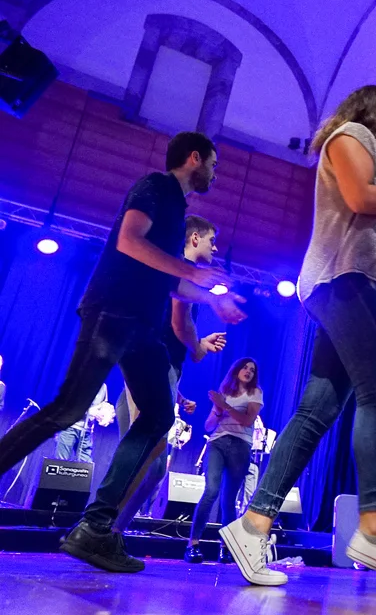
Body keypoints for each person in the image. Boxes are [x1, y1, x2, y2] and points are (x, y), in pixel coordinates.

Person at [221, 86, 376, 587]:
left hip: (358, 283)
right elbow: (359, 199)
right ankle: (375, 529)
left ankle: (252, 526)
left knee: (316, 412)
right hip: (344, 280)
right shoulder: (350, 135)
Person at [0, 131, 245, 573]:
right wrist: (192, 273)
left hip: (141, 328)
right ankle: (94, 527)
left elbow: (168, 279)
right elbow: (130, 241)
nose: (215, 173)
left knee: (159, 416)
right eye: (214, 164)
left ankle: (95, 527)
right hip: (113, 312)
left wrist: (212, 301)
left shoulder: (176, 210)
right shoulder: (155, 187)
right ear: (194, 158)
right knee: (67, 409)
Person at [113, 214, 226, 533]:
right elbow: (179, 323)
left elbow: (171, 330)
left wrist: (177, 392)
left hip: (154, 373)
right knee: (149, 467)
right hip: (150, 371)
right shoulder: (181, 270)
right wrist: (198, 348)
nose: (215, 248)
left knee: (143, 465)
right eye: (211, 240)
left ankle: (108, 531)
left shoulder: (176, 269)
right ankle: (105, 530)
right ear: (194, 238)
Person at [186, 358, 264, 563]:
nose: (248, 371)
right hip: (218, 443)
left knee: (229, 500)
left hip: (241, 446)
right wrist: (219, 409)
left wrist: (225, 406)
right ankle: (193, 544)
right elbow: (208, 426)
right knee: (211, 491)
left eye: (252, 370)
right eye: (244, 367)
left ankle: (226, 548)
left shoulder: (255, 393)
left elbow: (247, 420)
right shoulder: (225, 393)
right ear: (236, 370)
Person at [54, 384, 113, 463]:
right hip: (69, 427)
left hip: (86, 431)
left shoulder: (103, 386)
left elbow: (103, 405)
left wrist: (106, 415)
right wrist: (89, 411)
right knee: (61, 463)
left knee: (86, 465)